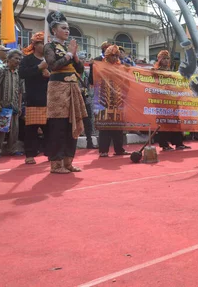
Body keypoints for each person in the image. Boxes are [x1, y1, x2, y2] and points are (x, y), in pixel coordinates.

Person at [44, 11, 88, 174]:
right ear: (54, 30)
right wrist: (69, 54)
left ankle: (68, 162)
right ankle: (56, 163)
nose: (67, 31)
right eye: (63, 28)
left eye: (68, 28)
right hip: (58, 88)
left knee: (72, 124)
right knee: (58, 126)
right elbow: (53, 65)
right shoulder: (50, 46)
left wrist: (75, 56)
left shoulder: (67, 47)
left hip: (72, 87)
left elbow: (80, 70)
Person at [93, 45, 131, 157]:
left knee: (118, 127)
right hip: (103, 99)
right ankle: (103, 150)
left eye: (116, 55)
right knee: (105, 126)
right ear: (107, 56)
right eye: (112, 55)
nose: (114, 58)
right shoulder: (100, 66)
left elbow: (126, 83)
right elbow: (94, 80)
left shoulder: (122, 68)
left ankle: (119, 149)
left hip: (118, 99)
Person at [19, 32, 50, 164]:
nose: (44, 46)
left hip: (49, 99)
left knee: (50, 129)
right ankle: (30, 154)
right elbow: (22, 73)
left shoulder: (50, 60)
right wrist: (39, 68)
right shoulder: (28, 59)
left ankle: (51, 153)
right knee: (31, 129)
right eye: (41, 43)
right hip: (33, 99)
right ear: (35, 45)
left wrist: (50, 75)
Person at [152, 50, 190, 151]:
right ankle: (164, 144)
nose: (166, 60)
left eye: (167, 58)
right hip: (161, 102)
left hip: (172, 101)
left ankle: (178, 143)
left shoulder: (171, 72)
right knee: (163, 122)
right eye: (164, 58)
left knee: (175, 121)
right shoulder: (155, 72)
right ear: (159, 59)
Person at [0, 49, 24, 158]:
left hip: (13, 104)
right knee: (0, 128)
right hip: (2, 104)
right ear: (8, 59)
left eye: (19, 59)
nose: (18, 61)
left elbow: (20, 91)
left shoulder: (19, 73)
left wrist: (19, 106)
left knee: (14, 129)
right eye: (15, 58)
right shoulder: (1, 70)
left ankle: (13, 148)